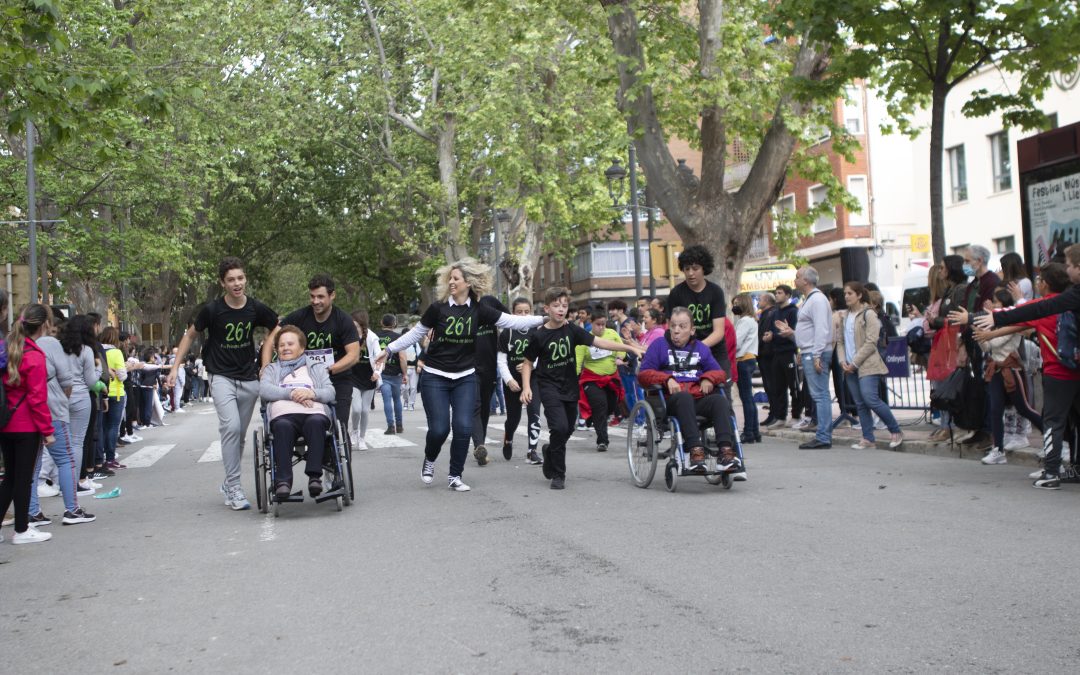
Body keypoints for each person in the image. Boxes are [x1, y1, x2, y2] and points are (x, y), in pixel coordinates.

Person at [377, 258, 544, 492]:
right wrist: (389, 350)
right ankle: (430, 459)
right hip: (436, 375)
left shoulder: (480, 309)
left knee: (464, 427)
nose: (451, 282)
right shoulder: (438, 308)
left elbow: (511, 320)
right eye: (450, 278)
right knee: (439, 429)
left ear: (468, 282)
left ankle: (455, 475)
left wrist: (546, 319)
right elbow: (416, 334)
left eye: (456, 278)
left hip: (465, 376)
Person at [167, 256, 279, 511]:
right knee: (231, 428)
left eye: (240, 278)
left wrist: (265, 361)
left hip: (248, 378)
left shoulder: (255, 308)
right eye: (231, 280)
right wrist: (175, 366)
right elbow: (190, 335)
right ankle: (235, 487)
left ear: (245, 279)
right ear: (222, 283)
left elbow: (276, 327)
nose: (237, 283)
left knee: (238, 435)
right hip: (221, 376)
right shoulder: (212, 310)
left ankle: (229, 483)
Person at [521, 287, 644, 489]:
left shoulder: (572, 330)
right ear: (546, 309)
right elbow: (527, 362)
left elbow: (602, 343)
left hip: (570, 386)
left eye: (564, 305)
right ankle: (558, 475)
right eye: (556, 306)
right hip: (549, 387)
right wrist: (527, 387)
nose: (560, 309)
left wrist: (630, 347)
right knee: (558, 427)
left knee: (567, 429)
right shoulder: (538, 336)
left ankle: (550, 450)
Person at [974, 263, 1074, 488]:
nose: (1037, 284)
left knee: (1052, 422)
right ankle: (1073, 466)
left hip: (1057, 371)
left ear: (1045, 284)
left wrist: (981, 318)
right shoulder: (1070, 302)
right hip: (1074, 368)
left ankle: (1051, 472)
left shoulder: (1046, 306)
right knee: (1071, 421)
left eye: (1039, 281)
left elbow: (1017, 317)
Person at [637, 307, 740, 473]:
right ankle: (695, 451)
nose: (676, 331)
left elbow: (719, 372)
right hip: (669, 401)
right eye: (673, 326)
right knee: (684, 397)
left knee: (720, 401)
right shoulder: (659, 346)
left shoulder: (701, 348)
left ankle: (725, 452)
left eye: (682, 326)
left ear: (692, 330)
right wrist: (666, 379)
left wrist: (708, 378)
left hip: (697, 398)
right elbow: (643, 375)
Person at [262, 274, 360, 430]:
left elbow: (353, 355)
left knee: (338, 427)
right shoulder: (299, 316)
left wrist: (328, 370)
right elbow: (270, 342)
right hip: (306, 380)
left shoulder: (343, 320)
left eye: (320, 297)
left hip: (337, 379)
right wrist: (265, 367)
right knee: (305, 422)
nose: (315, 301)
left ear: (332, 295)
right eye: (312, 297)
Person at [965, 287, 1043, 464]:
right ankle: (998, 450)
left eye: (996, 302)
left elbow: (996, 342)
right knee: (995, 409)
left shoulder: (1011, 325)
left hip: (1011, 370)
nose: (991, 305)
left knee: (1023, 409)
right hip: (996, 370)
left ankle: (1052, 436)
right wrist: (977, 332)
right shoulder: (994, 325)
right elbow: (988, 348)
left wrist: (980, 330)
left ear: (1004, 306)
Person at [259, 326, 336, 500]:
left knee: (316, 423)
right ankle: (283, 482)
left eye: (290, 344)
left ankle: (315, 477)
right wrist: (292, 394)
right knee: (282, 427)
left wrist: (312, 393)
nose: (285, 347)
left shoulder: (316, 367)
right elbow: (264, 390)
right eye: (281, 345)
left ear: (302, 348)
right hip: (283, 415)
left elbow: (330, 392)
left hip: (313, 412)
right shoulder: (272, 369)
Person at [1, 303, 55, 544]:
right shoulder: (34, 356)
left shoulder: (7, 349)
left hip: (5, 422)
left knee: (10, 478)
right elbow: (37, 399)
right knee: (23, 479)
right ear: (43, 325)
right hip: (26, 426)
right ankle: (22, 530)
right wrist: (48, 431)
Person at [837, 283, 904, 450]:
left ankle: (895, 430)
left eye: (850, 293)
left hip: (867, 364)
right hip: (849, 366)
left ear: (859, 295)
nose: (846, 296)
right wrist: (842, 361)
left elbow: (871, 342)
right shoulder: (844, 316)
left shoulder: (869, 314)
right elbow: (840, 342)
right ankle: (868, 438)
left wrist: (854, 363)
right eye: (845, 293)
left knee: (870, 398)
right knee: (860, 403)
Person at [776, 267, 834, 449]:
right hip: (810, 351)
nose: (795, 280)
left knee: (820, 394)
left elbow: (822, 329)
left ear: (806, 281)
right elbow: (810, 331)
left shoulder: (816, 300)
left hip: (816, 352)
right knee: (819, 394)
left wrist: (816, 354)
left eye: (797, 277)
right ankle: (823, 434)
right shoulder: (811, 299)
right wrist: (794, 334)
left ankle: (824, 436)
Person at [665, 244, 731, 378]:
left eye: (695, 268)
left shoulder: (715, 292)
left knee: (722, 391)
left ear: (703, 269)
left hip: (715, 352)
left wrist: (699, 347)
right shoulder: (676, 293)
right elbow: (670, 327)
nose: (690, 273)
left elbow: (719, 331)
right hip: (685, 352)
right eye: (687, 269)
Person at [498, 297, 543, 464]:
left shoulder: (537, 331)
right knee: (514, 417)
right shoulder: (506, 333)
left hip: (533, 378)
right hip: (513, 381)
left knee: (534, 412)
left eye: (526, 312)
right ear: (512, 313)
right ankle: (508, 438)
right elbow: (501, 360)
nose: (523, 315)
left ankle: (532, 451)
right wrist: (508, 379)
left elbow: (541, 354)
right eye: (519, 312)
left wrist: (530, 366)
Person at [576, 310, 625, 453]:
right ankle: (602, 440)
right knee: (600, 406)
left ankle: (592, 417)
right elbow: (578, 361)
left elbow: (621, 349)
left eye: (604, 324)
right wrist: (574, 377)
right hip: (592, 379)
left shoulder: (612, 334)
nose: (601, 328)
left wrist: (621, 357)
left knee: (610, 406)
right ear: (591, 323)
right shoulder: (584, 338)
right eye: (598, 325)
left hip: (611, 378)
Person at [468, 297, 509, 465]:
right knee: (475, 406)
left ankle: (480, 448)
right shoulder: (461, 307)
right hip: (469, 367)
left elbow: (508, 318)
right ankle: (479, 445)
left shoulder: (490, 302)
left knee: (484, 408)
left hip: (490, 366)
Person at [763, 284, 801, 427]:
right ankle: (780, 417)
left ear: (788, 295)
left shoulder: (793, 311)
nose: (777, 295)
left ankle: (796, 416)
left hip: (789, 351)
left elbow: (795, 331)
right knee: (778, 387)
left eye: (779, 293)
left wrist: (787, 332)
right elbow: (774, 330)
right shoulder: (775, 312)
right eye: (776, 292)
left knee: (794, 386)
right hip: (776, 352)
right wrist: (770, 335)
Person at [348, 310, 383, 450]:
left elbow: (380, 357)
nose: (353, 327)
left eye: (356, 324)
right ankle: (354, 431)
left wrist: (377, 372)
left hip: (369, 378)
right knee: (356, 409)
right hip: (352, 377)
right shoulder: (348, 335)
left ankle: (362, 438)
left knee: (365, 410)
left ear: (362, 325)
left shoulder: (372, 338)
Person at [732, 294, 761, 444]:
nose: (734, 306)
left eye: (737, 303)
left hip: (743, 360)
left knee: (746, 398)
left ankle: (749, 432)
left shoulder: (745, 321)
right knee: (748, 397)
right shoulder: (751, 320)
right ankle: (755, 431)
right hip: (750, 359)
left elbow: (736, 342)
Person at [99, 327, 128, 472]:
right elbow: (122, 376)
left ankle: (101, 458)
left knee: (103, 427)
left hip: (101, 392)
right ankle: (110, 458)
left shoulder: (98, 351)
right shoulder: (116, 352)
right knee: (113, 427)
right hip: (116, 392)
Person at [373, 313, 407, 435]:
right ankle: (400, 426)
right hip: (396, 374)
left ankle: (390, 426)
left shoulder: (375, 336)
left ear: (382, 322)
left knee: (386, 400)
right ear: (394, 324)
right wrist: (405, 374)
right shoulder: (398, 337)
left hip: (382, 372)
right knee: (397, 399)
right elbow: (402, 358)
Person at [607, 299, 638, 410]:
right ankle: (635, 420)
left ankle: (641, 421)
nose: (610, 312)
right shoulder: (620, 324)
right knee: (629, 394)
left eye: (613, 309)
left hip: (630, 366)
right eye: (609, 310)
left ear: (621, 310)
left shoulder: (628, 323)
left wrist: (627, 361)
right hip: (623, 367)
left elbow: (634, 345)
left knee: (634, 394)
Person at [756, 292, 778, 427]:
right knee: (768, 386)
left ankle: (776, 414)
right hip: (762, 354)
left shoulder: (772, 313)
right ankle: (772, 413)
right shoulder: (763, 314)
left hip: (769, 354)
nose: (758, 301)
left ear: (768, 301)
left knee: (773, 386)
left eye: (760, 299)